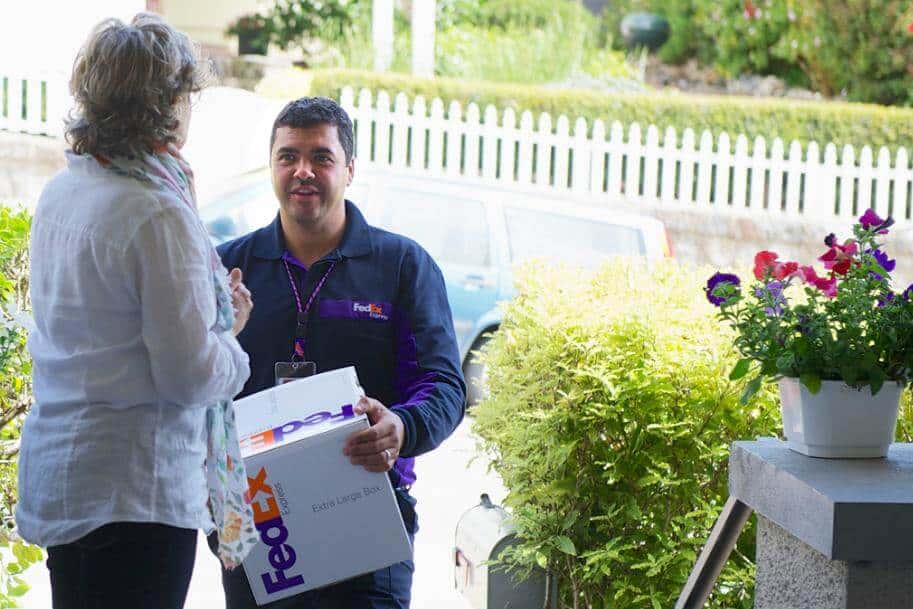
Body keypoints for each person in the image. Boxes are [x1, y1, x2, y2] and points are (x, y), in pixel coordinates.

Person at [15, 14, 258, 609]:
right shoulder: (156, 210)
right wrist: (232, 334)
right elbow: (188, 376)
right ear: (166, 104)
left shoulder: (65, 190)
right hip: (134, 494)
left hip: (66, 482)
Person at [214, 97, 467, 608]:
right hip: (258, 521)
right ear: (271, 166)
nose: (302, 171)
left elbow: (445, 386)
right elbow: (192, 385)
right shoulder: (228, 268)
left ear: (350, 169)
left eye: (321, 158)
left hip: (369, 517)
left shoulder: (402, 266)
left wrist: (402, 425)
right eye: (288, 157)